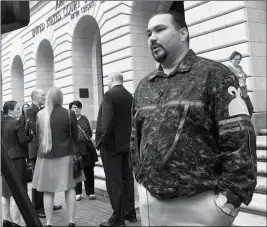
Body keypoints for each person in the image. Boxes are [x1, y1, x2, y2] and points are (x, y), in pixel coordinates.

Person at [130, 11, 257, 226]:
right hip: (151, 204)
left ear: (183, 33)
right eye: (148, 33)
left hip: (202, 205)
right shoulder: (144, 86)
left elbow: (239, 140)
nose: (152, 37)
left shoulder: (214, 74)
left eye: (160, 29)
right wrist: (141, 185)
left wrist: (228, 202)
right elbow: (135, 141)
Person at [31, 87, 85, 227]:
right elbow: (75, 136)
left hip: (45, 156)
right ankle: (71, 221)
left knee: (48, 191)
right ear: (60, 98)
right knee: (70, 188)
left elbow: (38, 137)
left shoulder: (41, 114)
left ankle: (49, 223)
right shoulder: (69, 113)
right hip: (66, 155)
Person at [96, 72, 137, 227]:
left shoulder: (109, 95)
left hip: (111, 146)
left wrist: (100, 142)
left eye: (107, 79)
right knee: (127, 178)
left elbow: (106, 122)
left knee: (114, 181)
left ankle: (117, 219)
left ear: (111, 80)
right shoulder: (129, 96)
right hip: (126, 144)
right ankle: (130, 212)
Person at [26, 89, 62, 218]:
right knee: (38, 179)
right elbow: (35, 129)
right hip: (36, 150)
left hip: (45, 148)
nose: (44, 97)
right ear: (35, 97)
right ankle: (38, 207)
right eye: (42, 95)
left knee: (47, 176)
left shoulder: (41, 110)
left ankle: (48, 203)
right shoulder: (30, 111)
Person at [1, 101, 33, 227]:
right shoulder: (16, 122)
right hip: (17, 159)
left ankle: (6, 220)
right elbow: (23, 140)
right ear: (10, 111)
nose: (20, 111)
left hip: (3, 160)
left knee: (5, 192)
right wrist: (30, 136)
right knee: (17, 192)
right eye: (18, 109)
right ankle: (17, 222)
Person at [69, 100, 98, 201]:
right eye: (73, 107)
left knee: (89, 170)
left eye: (77, 107)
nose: (75, 109)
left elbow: (89, 133)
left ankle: (90, 192)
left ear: (80, 108)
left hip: (86, 148)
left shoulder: (85, 118)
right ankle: (78, 192)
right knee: (77, 170)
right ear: (70, 109)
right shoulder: (69, 120)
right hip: (75, 149)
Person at [227, 51, 254, 116]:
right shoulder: (228, 67)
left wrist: (244, 76)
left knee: (250, 108)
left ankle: (247, 124)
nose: (238, 61)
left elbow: (243, 75)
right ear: (231, 59)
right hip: (236, 93)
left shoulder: (240, 67)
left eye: (239, 59)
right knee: (240, 111)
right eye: (236, 59)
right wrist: (237, 77)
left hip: (244, 91)